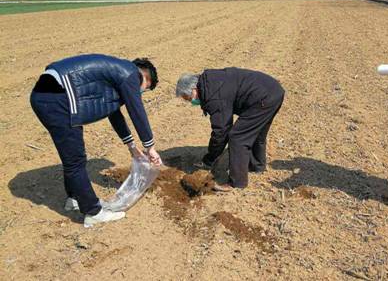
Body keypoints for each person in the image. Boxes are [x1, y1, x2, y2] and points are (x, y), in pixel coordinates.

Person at [30, 54, 162, 227]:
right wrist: (150, 147)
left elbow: (113, 112)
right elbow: (137, 112)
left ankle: (74, 198)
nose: (141, 92)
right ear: (145, 77)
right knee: (75, 160)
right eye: (146, 88)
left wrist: (131, 146)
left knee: (72, 157)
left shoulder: (116, 76)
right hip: (58, 99)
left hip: (46, 96)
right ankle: (93, 212)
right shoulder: (131, 74)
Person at [176, 68, 285, 191]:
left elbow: (222, 130)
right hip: (272, 90)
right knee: (256, 131)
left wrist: (210, 158)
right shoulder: (209, 81)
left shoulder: (213, 96)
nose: (191, 101)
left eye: (188, 97)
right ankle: (257, 166)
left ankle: (237, 182)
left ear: (194, 89)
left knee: (238, 137)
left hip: (263, 98)